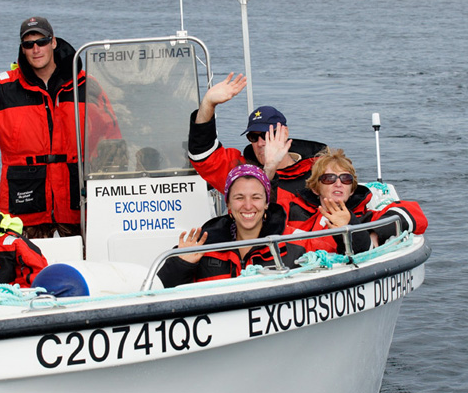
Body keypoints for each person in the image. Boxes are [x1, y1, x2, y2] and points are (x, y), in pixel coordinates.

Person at [0, 17, 119, 239]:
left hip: (78, 202)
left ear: (54, 42)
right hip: (23, 205)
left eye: (42, 41)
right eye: (29, 44)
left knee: (85, 265)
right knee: (26, 269)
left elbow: (113, 138)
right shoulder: (3, 88)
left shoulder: (87, 85)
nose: (36, 49)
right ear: (22, 48)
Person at [187, 73, 327, 206]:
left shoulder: (319, 170)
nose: (260, 143)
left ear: (285, 133)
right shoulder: (240, 173)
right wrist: (208, 103)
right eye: (253, 137)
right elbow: (203, 154)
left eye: (267, 135)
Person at [157, 164, 306, 288]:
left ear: (267, 203)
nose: (248, 206)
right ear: (228, 203)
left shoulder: (291, 243)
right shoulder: (203, 248)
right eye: (239, 198)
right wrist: (180, 264)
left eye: (256, 197)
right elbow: (160, 293)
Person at [284, 148, 428, 255]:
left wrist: (373, 231)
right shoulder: (293, 210)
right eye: (329, 178)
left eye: (345, 179)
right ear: (315, 188)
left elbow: (416, 214)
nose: (338, 183)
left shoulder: (364, 217)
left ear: (352, 190)